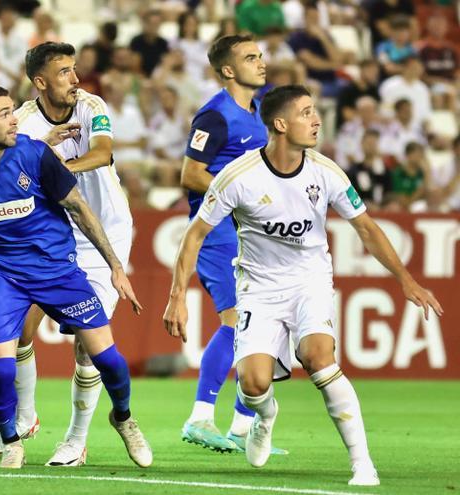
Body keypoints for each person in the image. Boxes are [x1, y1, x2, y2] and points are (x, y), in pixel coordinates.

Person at [163, 84, 443, 486]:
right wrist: (177, 297)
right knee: (253, 384)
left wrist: (406, 280)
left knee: (318, 357)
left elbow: (365, 227)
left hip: (309, 281)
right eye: (306, 113)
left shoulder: (325, 171)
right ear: (280, 124)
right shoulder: (237, 176)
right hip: (258, 287)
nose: (316, 120)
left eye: (315, 112)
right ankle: (265, 416)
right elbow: (194, 235)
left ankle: (363, 464)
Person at [0, 85, 152, 470]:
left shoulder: (34, 154)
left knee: (109, 360)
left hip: (57, 271)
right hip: (3, 279)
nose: (14, 120)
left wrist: (114, 266)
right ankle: (12, 442)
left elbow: (79, 207)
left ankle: (123, 418)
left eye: (13, 111)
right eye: (4, 113)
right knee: (0, 369)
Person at [10, 42, 133, 467]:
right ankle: (26, 416)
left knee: (87, 344)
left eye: (74, 69)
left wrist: (52, 169)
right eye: (64, 72)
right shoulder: (24, 122)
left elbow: (101, 153)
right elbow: (11, 170)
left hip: (105, 233)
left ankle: (76, 441)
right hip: (56, 235)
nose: (75, 79)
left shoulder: (91, 106)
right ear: (40, 82)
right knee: (20, 327)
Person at [176, 34, 286, 455]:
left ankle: (242, 427)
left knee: (260, 325)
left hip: (248, 232)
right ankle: (200, 417)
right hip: (217, 231)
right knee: (236, 320)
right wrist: (243, 198)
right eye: (250, 57)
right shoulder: (216, 116)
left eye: (260, 56)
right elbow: (191, 174)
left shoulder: (257, 114)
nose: (261, 62)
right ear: (227, 70)